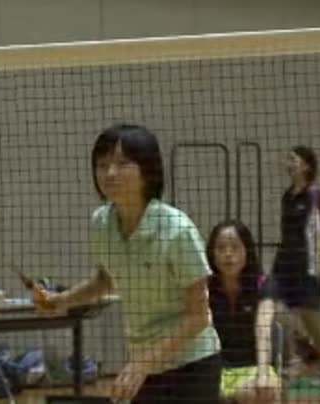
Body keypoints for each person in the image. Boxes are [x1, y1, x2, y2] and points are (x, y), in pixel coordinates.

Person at [33, 124, 222, 403]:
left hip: (191, 364)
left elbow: (199, 316)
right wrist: (62, 301)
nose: (110, 173)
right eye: (102, 165)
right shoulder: (101, 223)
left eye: (122, 164)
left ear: (147, 171)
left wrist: (143, 363)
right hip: (143, 364)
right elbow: (105, 280)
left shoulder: (177, 230)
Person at [262, 145, 320, 385]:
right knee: (273, 307)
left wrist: (316, 264)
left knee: (309, 316)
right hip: (284, 261)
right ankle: (294, 359)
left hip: (306, 263)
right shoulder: (287, 195)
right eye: (288, 159)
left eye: (293, 159)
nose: (288, 163)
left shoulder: (314, 194)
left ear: (306, 165)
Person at [207, 219, 280, 403]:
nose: (228, 254)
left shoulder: (264, 284)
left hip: (252, 368)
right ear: (212, 254)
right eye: (221, 248)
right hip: (213, 370)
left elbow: (263, 330)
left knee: (267, 390)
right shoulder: (203, 288)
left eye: (235, 247)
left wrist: (263, 374)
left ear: (247, 250)